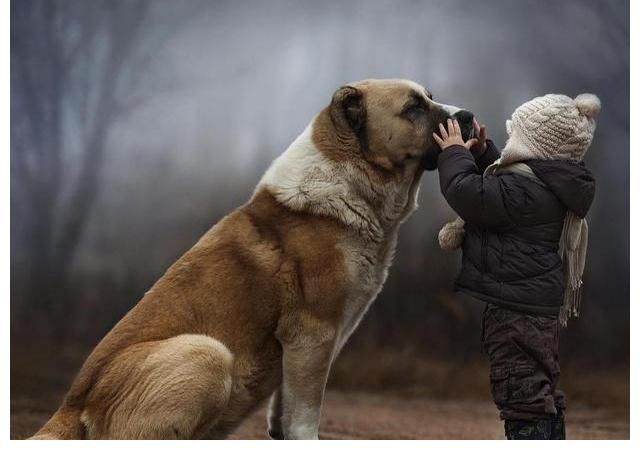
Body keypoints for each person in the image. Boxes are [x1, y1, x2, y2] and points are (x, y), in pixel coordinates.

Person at [432, 94, 600, 440]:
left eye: (515, 138)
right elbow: (503, 189)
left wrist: (454, 153)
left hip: (514, 315)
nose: (510, 145)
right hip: (536, 308)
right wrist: (481, 153)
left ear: (531, 145)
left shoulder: (522, 193)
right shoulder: (546, 186)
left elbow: (468, 192)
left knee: (522, 396)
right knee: (541, 389)